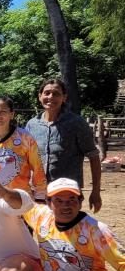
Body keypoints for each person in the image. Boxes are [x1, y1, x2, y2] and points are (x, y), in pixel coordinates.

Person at [25, 78, 102, 212]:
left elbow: (94, 157)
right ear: (40, 96)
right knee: (38, 230)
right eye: (47, 93)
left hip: (66, 194)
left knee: (66, 231)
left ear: (64, 98)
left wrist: (96, 192)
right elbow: (25, 158)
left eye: (56, 94)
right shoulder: (32, 125)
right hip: (38, 193)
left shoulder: (76, 124)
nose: (51, 97)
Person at [0, 97, 47, 201]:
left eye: (2, 112)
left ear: (12, 114)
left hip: (20, 201)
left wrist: (40, 198)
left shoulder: (25, 138)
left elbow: (38, 170)